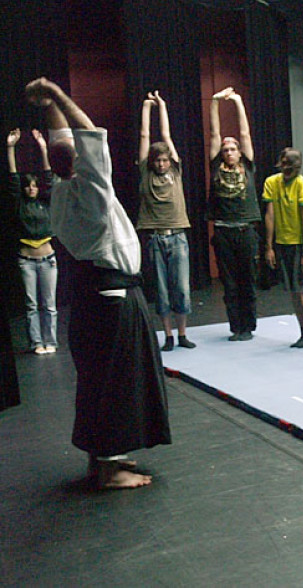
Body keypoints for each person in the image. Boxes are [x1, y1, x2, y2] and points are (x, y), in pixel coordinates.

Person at [28, 76, 170, 490]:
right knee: (116, 380)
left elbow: (63, 142)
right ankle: (109, 469)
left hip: (93, 296)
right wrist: (56, 95)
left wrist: (47, 105)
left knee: (97, 378)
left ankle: (102, 459)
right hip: (112, 298)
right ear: (76, 163)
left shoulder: (59, 192)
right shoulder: (90, 194)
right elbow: (90, 136)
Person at [136, 91, 195, 352]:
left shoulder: (176, 171)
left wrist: (162, 105)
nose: (161, 163)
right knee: (161, 290)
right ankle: (168, 336)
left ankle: (182, 334)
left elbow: (166, 137)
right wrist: (146, 108)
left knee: (181, 288)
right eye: (157, 160)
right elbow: (145, 137)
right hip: (155, 237)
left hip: (178, 236)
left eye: (164, 160)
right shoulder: (145, 173)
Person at [208, 87, 260, 341]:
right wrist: (215, 102)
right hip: (223, 230)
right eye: (226, 149)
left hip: (246, 229)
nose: (228, 152)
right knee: (229, 283)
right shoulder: (216, 166)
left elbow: (244, 133)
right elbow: (214, 133)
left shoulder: (247, 166)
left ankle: (248, 326)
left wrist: (238, 101)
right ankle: (235, 327)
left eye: (232, 149)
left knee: (247, 280)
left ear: (239, 153)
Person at [6, 128, 58, 354]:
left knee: (49, 306)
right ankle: (37, 342)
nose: (31, 188)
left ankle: (51, 341)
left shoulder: (45, 202)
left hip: (48, 258)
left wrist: (43, 147)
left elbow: (49, 177)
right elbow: (13, 179)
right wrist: (10, 148)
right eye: (29, 186)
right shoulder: (20, 203)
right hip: (27, 259)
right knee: (31, 305)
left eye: (34, 186)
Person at [263, 147, 303, 348]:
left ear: (298, 167)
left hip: (302, 242)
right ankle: (302, 330)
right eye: (284, 163)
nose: (286, 168)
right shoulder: (272, 182)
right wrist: (269, 247)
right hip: (283, 243)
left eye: (291, 165)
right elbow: (270, 215)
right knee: (294, 290)